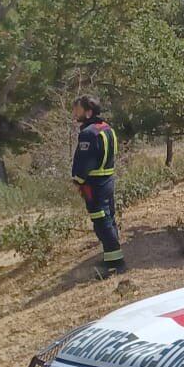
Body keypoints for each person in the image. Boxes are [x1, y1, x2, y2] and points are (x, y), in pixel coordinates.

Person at [70, 94, 124, 276]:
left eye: (76, 109)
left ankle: (116, 264)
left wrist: (77, 180)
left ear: (88, 112)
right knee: (109, 220)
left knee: (102, 223)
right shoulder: (107, 129)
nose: (73, 113)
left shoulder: (88, 133)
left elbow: (85, 162)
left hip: (94, 184)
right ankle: (112, 258)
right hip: (108, 181)